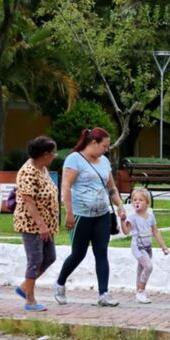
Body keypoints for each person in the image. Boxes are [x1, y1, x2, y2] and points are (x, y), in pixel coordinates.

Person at [54, 127, 127, 307]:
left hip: (101, 214)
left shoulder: (104, 162)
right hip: (81, 214)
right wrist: (69, 213)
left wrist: (120, 205)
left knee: (101, 252)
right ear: (93, 143)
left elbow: (111, 188)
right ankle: (60, 283)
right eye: (104, 145)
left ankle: (104, 293)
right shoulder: (74, 160)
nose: (106, 149)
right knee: (78, 253)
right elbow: (66, 187)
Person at [13, 136, 60, 311]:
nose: (54, 156)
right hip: (32, 225)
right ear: (44, 154)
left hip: (46, 225)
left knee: (49, 257)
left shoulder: (42, 169)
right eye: (52, 153)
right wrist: (41, 225)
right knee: (35, 260)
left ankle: (25, 287)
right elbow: (28, 201)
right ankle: (29, 300)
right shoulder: (28, 172)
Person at [121, 188, 169, 304]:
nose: (137, 202)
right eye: (134, 200)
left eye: (140, 200)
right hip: (137, 247)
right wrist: (122, 220)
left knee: (141, 269)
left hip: (148, 247)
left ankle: (139, 293)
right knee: (148, 266)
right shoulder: (132, 217)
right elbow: (126, 231)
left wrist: (163, 246)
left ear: (147, 203)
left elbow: (156, 232)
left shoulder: (151, 217)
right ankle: (141, 291)